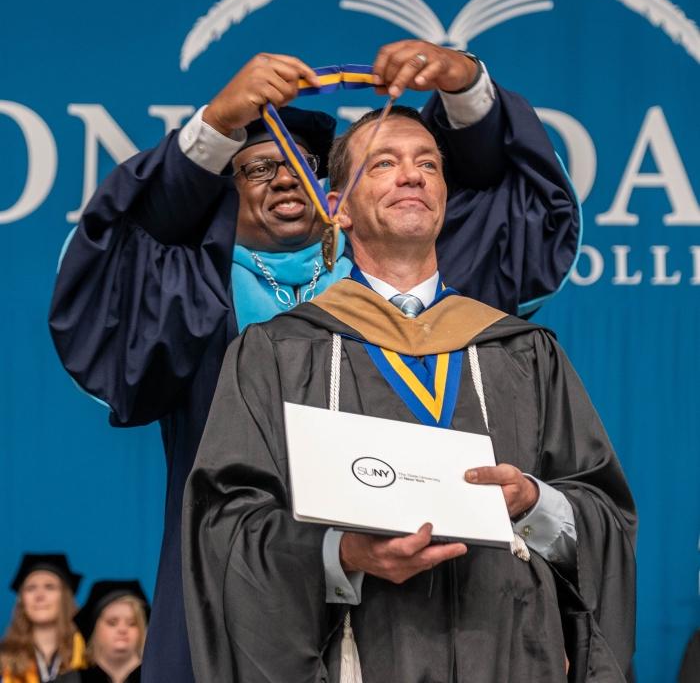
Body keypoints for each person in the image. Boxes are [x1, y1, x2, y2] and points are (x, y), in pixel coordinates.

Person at [49, 40, 581, 683]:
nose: (283, 178)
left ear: (341, 196)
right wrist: (216, 124)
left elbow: (501, 196)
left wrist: (466, 84)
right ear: (223, 193)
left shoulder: (396, 278)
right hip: (244, 583)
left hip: (412, 603)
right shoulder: (190, 295)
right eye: (256, 168)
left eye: (303, 163)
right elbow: (130, 242)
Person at [183, 104, 636, 682]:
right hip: (364, 652)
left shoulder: (520, 352)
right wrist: (343, 553)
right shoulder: (278, 353)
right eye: (384, 163)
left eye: (428, 163)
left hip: (512, 653)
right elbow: (227, 529)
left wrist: (532, 502)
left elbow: (605, 518)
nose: (412, 175)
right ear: (337, 207)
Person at [1, 555, 85, 683]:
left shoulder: (87, 655)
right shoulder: (3, 659)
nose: (39, 596)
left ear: (65, 598)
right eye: (31, 588)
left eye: (49, 587)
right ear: (22, 600)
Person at [56, 580, 148, 683]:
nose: (122, 629)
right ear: (94, 629)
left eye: (132, 623)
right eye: (112, 623)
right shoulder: (68, 681)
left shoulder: (160, 678)